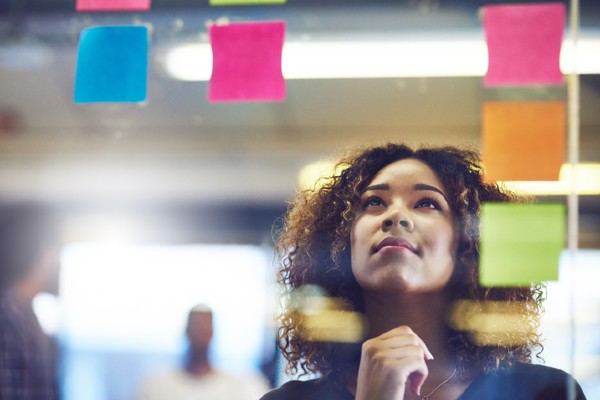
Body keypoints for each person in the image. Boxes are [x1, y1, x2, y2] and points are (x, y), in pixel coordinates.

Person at [261, 143, 587, 400]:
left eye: (427, 203)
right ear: (343, 242)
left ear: (466, 247)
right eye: (374, 202)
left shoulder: (545, 394)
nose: (395, 217)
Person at [137, 304, 270, 400]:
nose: (200, 333)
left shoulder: (245, 386)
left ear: (212, 332)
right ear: (186, 331)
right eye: (195, 327)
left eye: (205, 327)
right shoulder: (156, 385)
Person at [0, 205, 61, 400]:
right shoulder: (7, 319)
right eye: (55, 250)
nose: (59, 261)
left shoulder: (25, 315)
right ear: (42, 254)